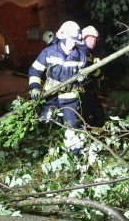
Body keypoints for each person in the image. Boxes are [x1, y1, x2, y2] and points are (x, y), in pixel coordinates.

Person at [28, 20, 87, 152]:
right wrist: (35, 87)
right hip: (51, 97)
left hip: (70, 98)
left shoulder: (80, 56)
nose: (74, 44)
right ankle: (52, 146)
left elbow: (84, 80)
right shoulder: (48, 53)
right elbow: (34, 70)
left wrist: (83, 79)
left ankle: (73, 155)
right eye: (72, 40)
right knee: (45, 120)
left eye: (76, 41)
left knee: (72, 126)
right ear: (63, 37)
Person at [77, 25, 105, 127]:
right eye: (91, 39)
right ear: (84, 38)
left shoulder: (86, 51)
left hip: (87, 89)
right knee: (93, 114)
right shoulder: (83, 51)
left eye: (95, 40)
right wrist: (101, 75)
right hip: (83, 90)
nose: (94, 42)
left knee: (95, 113)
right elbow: (89, 68)